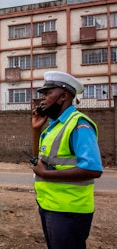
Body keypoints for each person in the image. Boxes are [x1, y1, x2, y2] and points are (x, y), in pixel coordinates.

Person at [31, 71, 103, 249]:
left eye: (48, 94)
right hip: (50, 205)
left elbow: (93, 169)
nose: (42, 99)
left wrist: (46, 174)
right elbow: (38, 160)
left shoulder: (79, 124)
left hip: (69, 210)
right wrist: (35, 131)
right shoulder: (53, 126)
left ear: (63, 96)